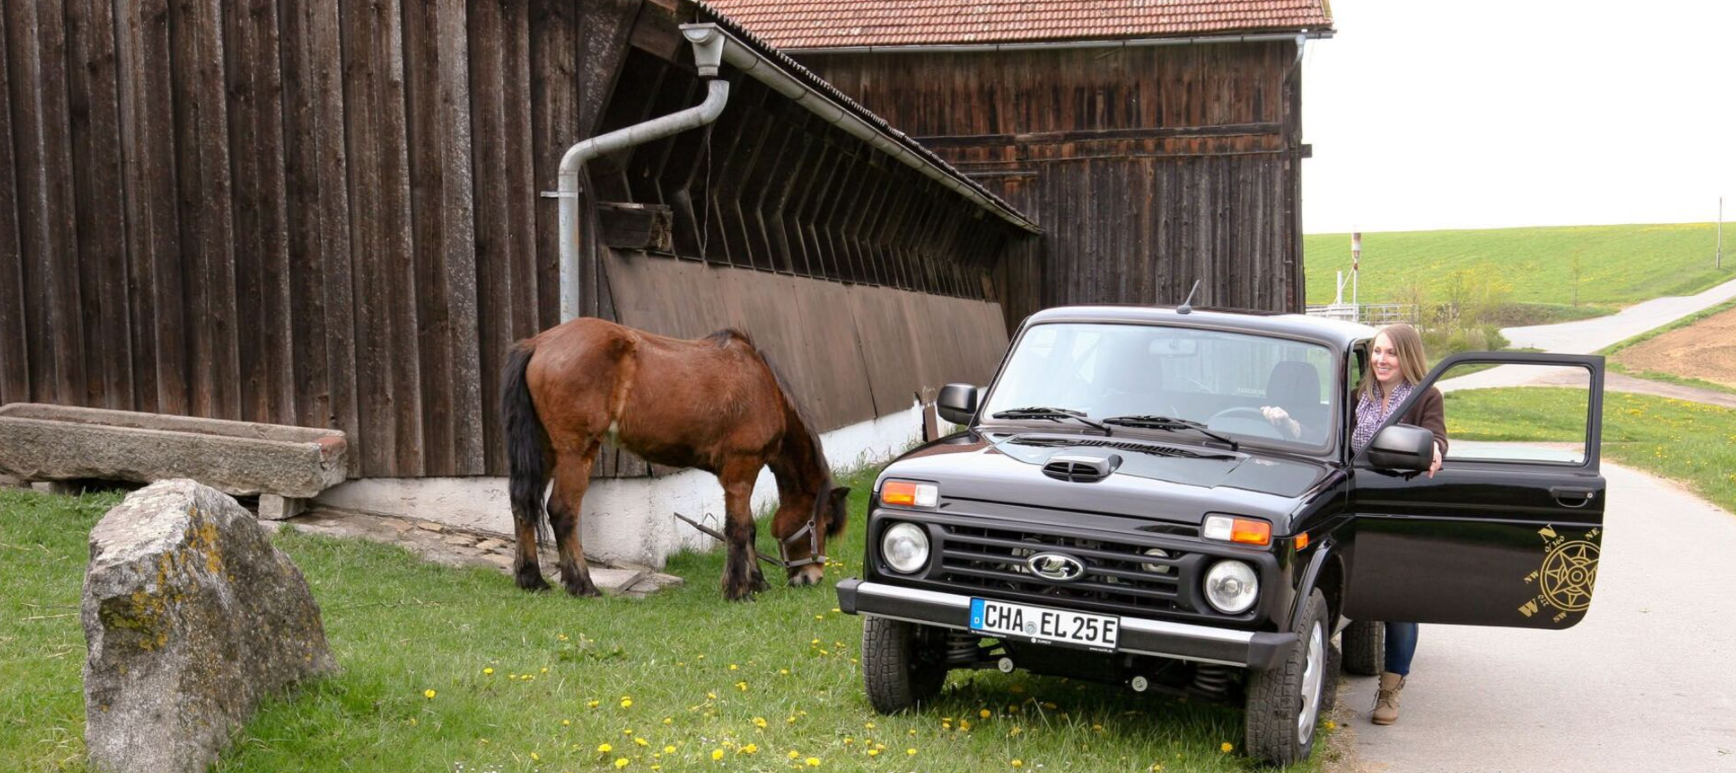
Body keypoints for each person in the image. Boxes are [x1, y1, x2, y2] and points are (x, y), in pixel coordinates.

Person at [1261, 322, 1446, 726]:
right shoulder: (1355, 397)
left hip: (1397, 505)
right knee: (1357, 590)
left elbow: (1436, 439)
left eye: (1391, 353)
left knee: (1400, 601)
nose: (1381, 360)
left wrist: (1433, 450)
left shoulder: (1425, 396)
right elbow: (1332, 444)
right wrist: (1288, 427)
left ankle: (1391, 690)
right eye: (1377, 352)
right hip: (1354, 503)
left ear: (1408, 357)